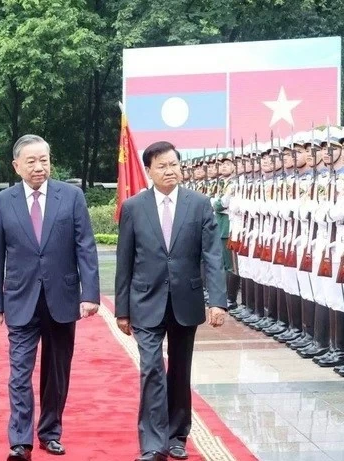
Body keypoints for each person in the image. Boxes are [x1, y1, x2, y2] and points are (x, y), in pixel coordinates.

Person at [0, 134, 100, 461]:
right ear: (16, 165)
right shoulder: (3, 202)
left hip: (62, 299)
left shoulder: (72, 196)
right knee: (19, 372)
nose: (39, 167)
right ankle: (20, 441)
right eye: (32, 161)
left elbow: (86, 247)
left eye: (44, 160)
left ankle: (51, 432)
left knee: (56, 371)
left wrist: (89, 293)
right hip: (20, 300)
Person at [115, 140, 227, 461]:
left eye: (174, 164)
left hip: (186, 300)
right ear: (149, 171)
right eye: (162, 166)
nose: (170, 171)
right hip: (145, 301)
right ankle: (153, 443)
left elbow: (212, 256)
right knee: (151, 369)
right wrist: (122, 309)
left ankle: (177, 435)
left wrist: (217, 301)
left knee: (179, 369)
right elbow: (125, 261)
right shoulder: (134, 207)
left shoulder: (199, 204)